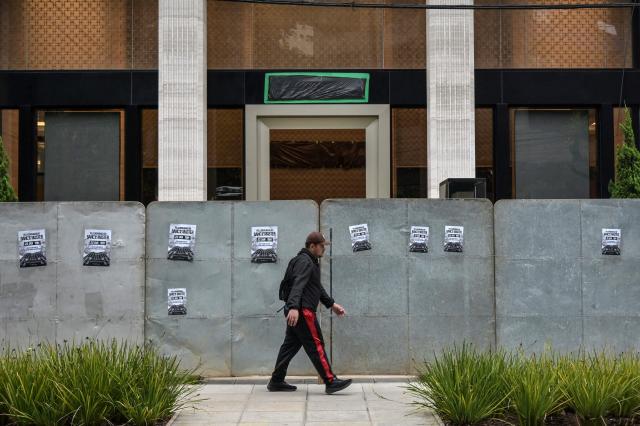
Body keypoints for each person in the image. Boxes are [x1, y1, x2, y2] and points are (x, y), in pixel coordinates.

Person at [268, 231, 352, 394]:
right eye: (322, 246)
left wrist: (332, 304)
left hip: (298, 310)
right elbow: (297, 284)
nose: (324, 249)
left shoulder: (307, 261)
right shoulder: (305, 262)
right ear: (312, 246)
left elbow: (315, 287)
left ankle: (277, 380)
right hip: (302, 311)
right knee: (316, 344)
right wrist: (293, 307)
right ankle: (330, 380)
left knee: (290, 346)